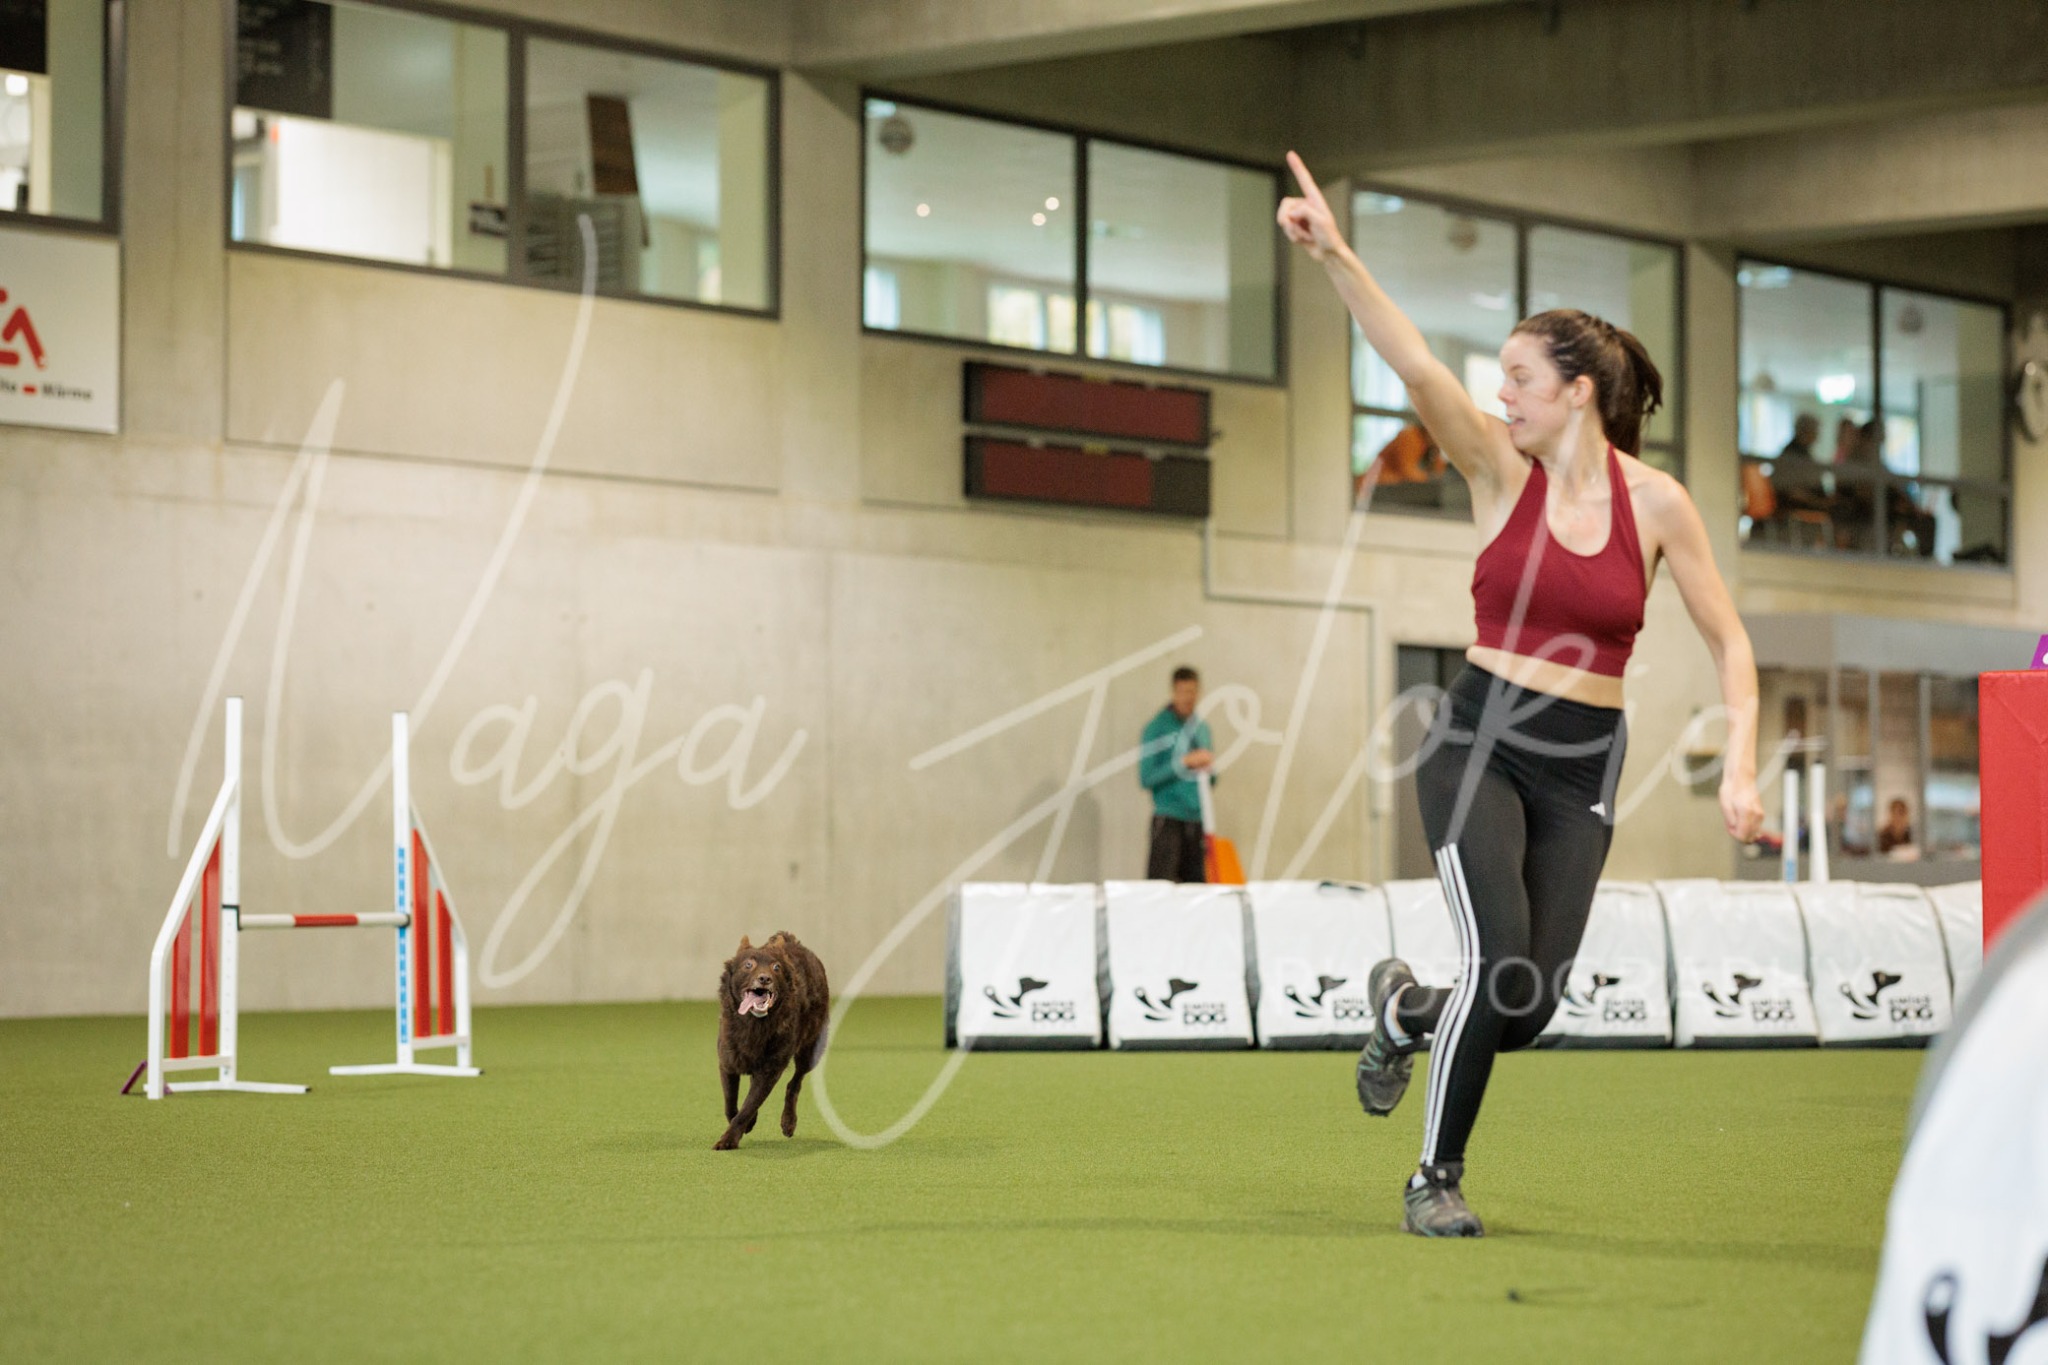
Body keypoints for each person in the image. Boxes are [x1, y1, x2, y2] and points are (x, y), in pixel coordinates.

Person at [1278, 152, 1765, 1238]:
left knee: (1528, 1005)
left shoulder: (1661, 505)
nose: (1499, 395)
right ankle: (1433, 1178)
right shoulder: (1500, 472)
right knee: (1497, 958)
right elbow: (1414, 368)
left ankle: (1402, 1011)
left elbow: (1730, 643)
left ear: (1577, 390)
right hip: (1478, 740)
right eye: (1497, 380)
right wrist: (1336, 255)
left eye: (1517, 378)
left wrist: (1740, 768)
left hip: (1584, 758)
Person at [1139, 666, 1215, 883]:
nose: (1188, 698)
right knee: (1161, 887)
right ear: (1174, 692)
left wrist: (1209, 769)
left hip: (1197, 821)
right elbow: (1146, 778)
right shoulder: (1156, 728)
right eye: (1183, 692)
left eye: (1192, 692)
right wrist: (1183, 762)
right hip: (1169, 819)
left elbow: (1211, 780)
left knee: (1198, 890)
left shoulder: (1202, 729)